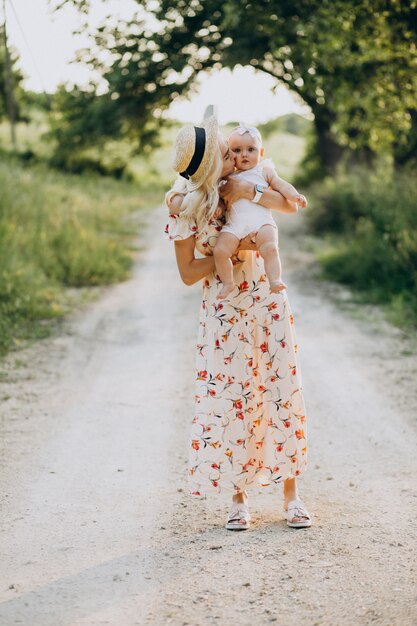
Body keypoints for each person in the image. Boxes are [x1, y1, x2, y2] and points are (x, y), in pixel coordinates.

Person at [164, 116, 312, 530]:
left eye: (231, 152)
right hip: (223, 312)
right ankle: (238, 499)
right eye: (224, 155)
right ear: (209, 166)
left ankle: (292, 496)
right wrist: (234, 251)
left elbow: (289, 205)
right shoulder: (185, 204)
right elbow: (188, 273)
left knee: (280, 387)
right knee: (232, 399)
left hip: (267, 299)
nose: (233, 157)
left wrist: (254, 191)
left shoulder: (247, 181)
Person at [213, 122, 308, 300]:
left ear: (261, 152)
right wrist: (218, 208)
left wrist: (295, 196)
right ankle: (228, 283)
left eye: (251, 149)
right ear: (229, 153)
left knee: (270, 248)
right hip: (236, 225)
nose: (244, 154)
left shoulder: (264, 170)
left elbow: (281, 185)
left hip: (261, 222)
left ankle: (275, 280)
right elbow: (222, 200)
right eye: (237, 150)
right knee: (220, 251)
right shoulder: (227, 177)